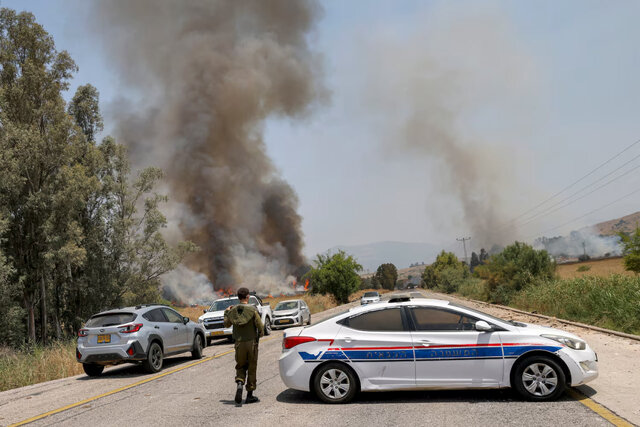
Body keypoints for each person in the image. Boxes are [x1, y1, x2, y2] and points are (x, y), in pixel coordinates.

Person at [224, 287, 264, 406]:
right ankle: (250, 396)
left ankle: (240, 383)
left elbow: (226, 324)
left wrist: (226, 312)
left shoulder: (233, 311)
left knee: (240, 366)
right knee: (252, 367)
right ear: (247, 297)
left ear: (238, 297)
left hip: (239, 343)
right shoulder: (252, 310)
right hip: (251, 343)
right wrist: (259, 336)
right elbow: (260, 327)